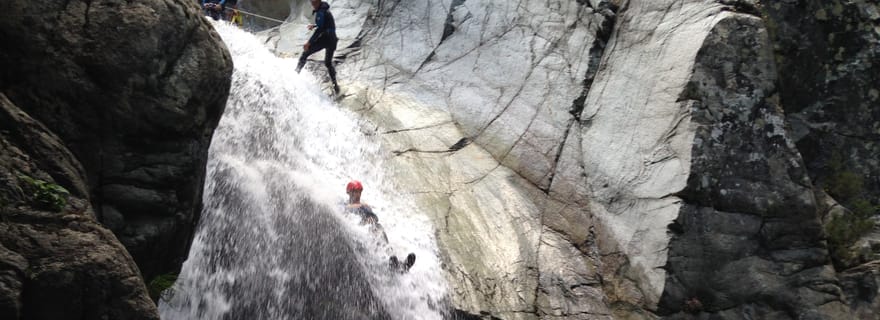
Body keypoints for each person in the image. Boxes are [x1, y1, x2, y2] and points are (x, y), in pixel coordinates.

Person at [344, 180, 415, 273]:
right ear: (349, 193)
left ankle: (397, 263)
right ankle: (393, 263)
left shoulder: (364, 205)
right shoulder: (346, 206)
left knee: (378, 229)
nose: (358, 194)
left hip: (369, 230)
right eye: (356, 192)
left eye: (360, 192)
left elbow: (374, 216)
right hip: (359, 232)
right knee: (376, 230)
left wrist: (370, 218)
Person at [296, 0, 340, 94]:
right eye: (312, 3)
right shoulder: (325, 10)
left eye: (314, 3)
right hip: (333, 40)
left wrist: (308, 43)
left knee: (305, 53)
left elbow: (320, 30)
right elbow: (324, 25)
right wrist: (314, 25)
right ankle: (336, 86)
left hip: (326, 39)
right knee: (328, 63)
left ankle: (295, 75)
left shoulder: (321, 12)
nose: (313, 5)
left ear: (319, 2)